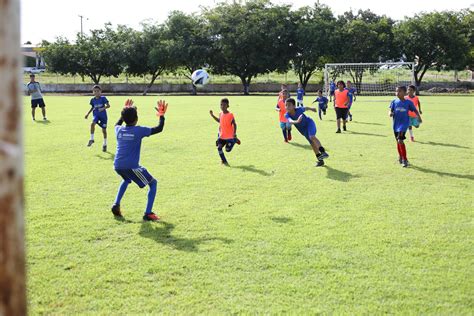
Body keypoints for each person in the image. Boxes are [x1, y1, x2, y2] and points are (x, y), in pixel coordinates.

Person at [111, 99, 167, 221]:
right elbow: (159, 128)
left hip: (117, 165)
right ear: (136, 119)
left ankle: (116, 204)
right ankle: (148, 214)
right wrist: (161, 115)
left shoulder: (118, 130)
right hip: (131, 166)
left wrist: (124, 111)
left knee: (126, 179)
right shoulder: (138, 130)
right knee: (153, 183)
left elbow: (117, 124)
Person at [285, 98, 329, 167]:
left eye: (289, 105)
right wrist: (297, 121)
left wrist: (312, 109)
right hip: (303, 130)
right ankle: (320, 161)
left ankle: (323, 152)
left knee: (312, 137)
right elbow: (290, 121)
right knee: (312, 143)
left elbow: (305, 108)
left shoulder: (299, 109)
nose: (287, 107)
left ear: (294, 106)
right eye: (286, 105)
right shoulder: (287, 115)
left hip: (309, 123)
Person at [389, 86, 422, 168]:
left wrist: (419, 117)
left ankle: (405, 159)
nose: (397, 93)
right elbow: (390, 110)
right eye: (396, 91)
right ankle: (400, 157)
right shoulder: (394, 101)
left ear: (404, 93)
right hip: (396, 124)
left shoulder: (408, 102)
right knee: (398, 141)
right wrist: (390, 113)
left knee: (400, 140)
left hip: (404, 124)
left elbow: (414, 110)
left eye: (399, 91)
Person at [209, 98, 241, 165]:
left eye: (224, 105)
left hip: (229, 136)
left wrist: (234, 133)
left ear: (227, 106)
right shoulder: (220, 114)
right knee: (219, 148)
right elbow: (219, 121)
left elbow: (234, 124)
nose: (222, 106)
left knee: (227, 150)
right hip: (222, 136)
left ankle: (234, 140)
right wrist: (212, 115)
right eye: (221, 105)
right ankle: (224, 161)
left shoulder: (230, 115)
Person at [85, 85, 110, 152]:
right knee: (92, 124)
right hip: (96, 115)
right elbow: (92, 107)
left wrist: (103, 108)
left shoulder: (103, 98)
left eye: (98, 91)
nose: (96, 92)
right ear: (93, 92)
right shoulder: (92, 100)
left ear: (100, 91)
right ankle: (92, 139)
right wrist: (87, 114)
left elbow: (108, 106)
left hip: (103, 116)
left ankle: (105, 144)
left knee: (104, 130)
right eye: (95, 91)